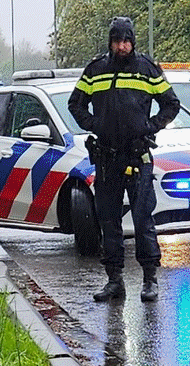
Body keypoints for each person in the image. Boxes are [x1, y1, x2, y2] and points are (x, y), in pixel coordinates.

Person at [68, 17, 180, 303]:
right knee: (108, 221)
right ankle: (114, 281)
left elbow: (171, 103)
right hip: (107, 158)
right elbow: (75, 104)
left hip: (138, 155)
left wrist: (150, 127)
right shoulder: (95, 70)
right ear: (110, 42)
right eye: (117, 41)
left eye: (126, 41)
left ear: (133, 41)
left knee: (143, 219)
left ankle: (149, 280)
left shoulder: (146, 69)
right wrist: (95, 124)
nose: (122, 46)